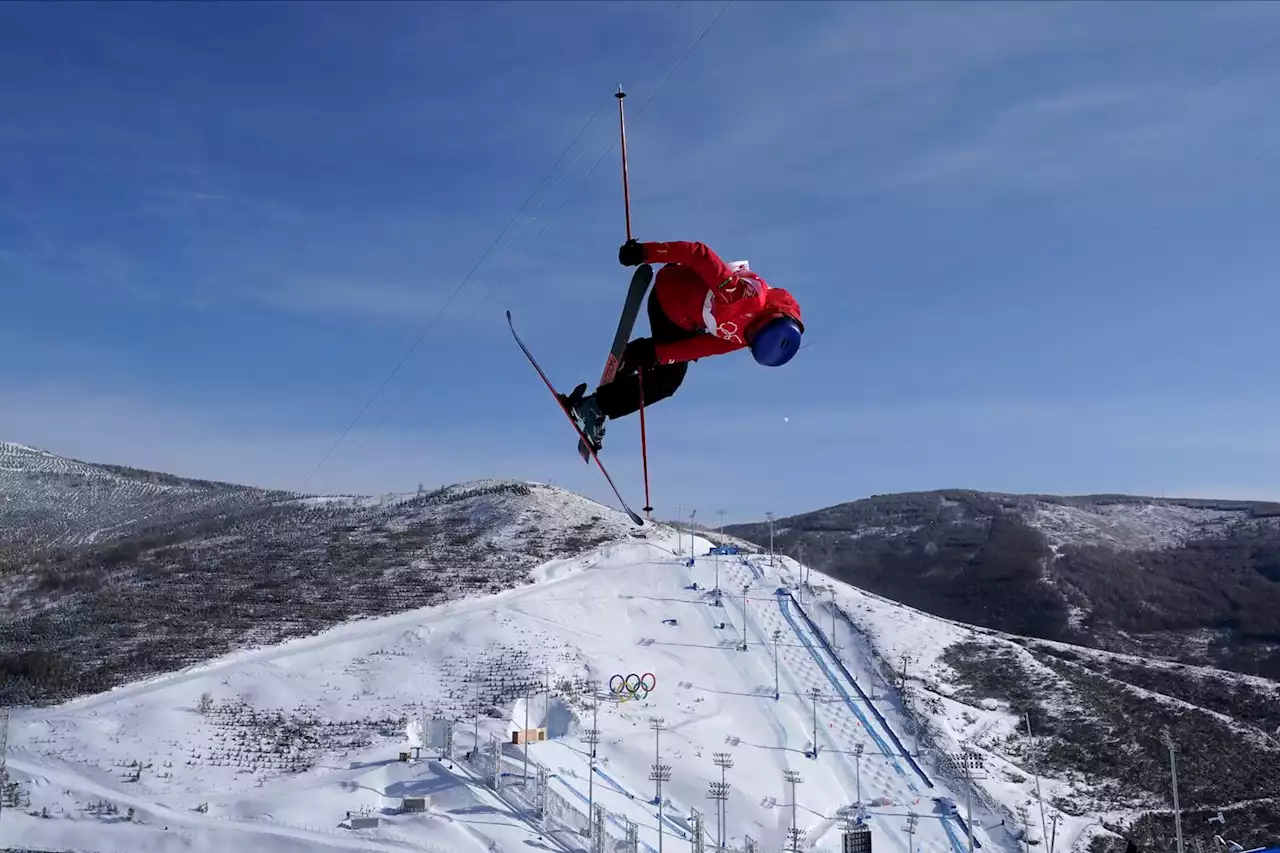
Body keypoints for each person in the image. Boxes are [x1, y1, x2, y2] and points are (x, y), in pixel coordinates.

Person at [561, 237, 804, 450]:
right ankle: (599, 402)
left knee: (668, 374)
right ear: (764, 323)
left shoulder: (748, 337)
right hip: (669, 299)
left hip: (688, 320)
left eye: (750, 341)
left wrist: (660, 354)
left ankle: (629, 365)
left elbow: (706, 346)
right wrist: (645, 252)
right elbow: (698, 253)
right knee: (668, 380)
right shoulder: (740, 295)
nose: (746, 339)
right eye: (750, 335)